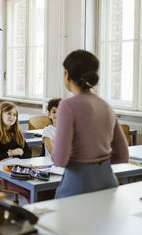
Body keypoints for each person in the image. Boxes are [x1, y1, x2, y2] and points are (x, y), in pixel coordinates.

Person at [52, 49, 129, 199]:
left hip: (78, 184)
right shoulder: (106, 105)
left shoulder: (68, 105)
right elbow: (123, 155)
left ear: (67, 74)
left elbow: (60, 160)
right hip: (108, 182)